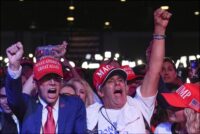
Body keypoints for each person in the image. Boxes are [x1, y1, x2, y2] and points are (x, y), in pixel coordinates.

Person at [86, 8, 172, 133]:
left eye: (121, 80)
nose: (117, 83)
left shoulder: (139, 106)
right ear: (100, 91)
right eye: (110, 81)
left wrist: (160, 29)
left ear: (126, 87)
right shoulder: (91, 115)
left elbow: (154, 72)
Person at [5, 42, 86, 133]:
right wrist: (14, 66)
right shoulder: (27, 105)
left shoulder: (74, 105)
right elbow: (13, 98)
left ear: (61, 82)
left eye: (56, 78)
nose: (52, 82)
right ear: (35, 84)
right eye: (46, 78)